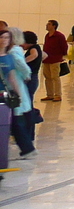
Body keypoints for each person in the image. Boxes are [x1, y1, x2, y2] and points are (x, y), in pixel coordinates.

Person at [0, 26, 35, 159]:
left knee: (16, 121)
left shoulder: (11, 54)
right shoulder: (14, 51)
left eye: (6, 37)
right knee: (16, 120)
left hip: (8, 92)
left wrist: (18, 91)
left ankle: (27, 148)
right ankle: (27, 148)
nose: (4, 40)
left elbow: (13, 74)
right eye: (2, 37)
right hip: (10, 90)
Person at [41, 20, 67, 102]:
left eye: (49, 24)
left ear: (54, 26)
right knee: (47, 78)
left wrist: (61, 56)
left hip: (55, 59)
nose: (46, 25)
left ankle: (58, 95)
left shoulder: (59, 36)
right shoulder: (47, 35)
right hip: (46, 59)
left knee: (55, 77)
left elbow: (64, 47)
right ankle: (50, 95)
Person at [22, 30, 42, 99]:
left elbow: (34, 55)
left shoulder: (33, 48)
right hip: (33, 77)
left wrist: (22, 62)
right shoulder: (37, 47)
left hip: (31, 78)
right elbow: (45, 55)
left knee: (27, 98)